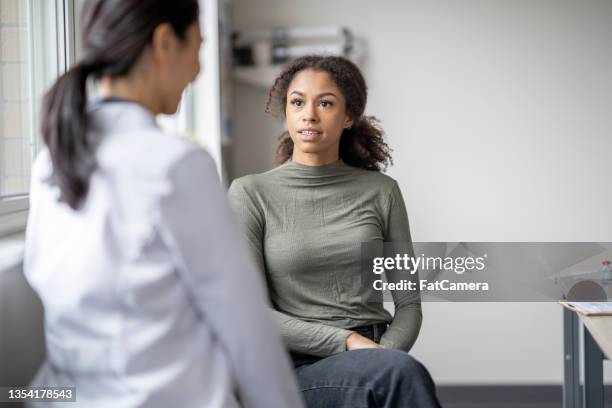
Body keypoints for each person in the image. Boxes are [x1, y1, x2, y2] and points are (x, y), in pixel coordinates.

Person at [23, 1, 304, 407]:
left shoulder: (50, 161)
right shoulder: (176, 165)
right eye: (199, 47)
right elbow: (247, 331)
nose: (199, 68)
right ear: (165, 42)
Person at [228, 55, 442, 407]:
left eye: (324, 103)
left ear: (348, 116)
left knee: (397, 373)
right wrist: (348, 344)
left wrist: (381, 354)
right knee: (400, 376)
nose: (309, 114)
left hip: (376, 352)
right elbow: (249, 312)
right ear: (286, 111)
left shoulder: (382, 191)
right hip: (295, 366)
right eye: (297, 102)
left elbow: (408, 303)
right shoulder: (250, 193)